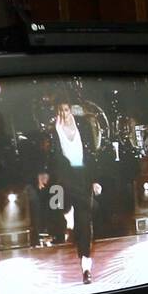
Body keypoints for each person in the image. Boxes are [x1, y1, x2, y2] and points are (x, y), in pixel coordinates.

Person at [41, 101, 103, 283]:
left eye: (66, 110)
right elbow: (50, 155)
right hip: (64, 179)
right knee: (60, 203)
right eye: (60, 110)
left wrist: (95, 180)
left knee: (84, 223)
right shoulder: (54, 131)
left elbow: (92, 154)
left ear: (71, 111)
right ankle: (68, 215)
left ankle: (85, 267)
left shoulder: (82, 126)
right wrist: (44, 173)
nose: (63, 114)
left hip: (82, 177)